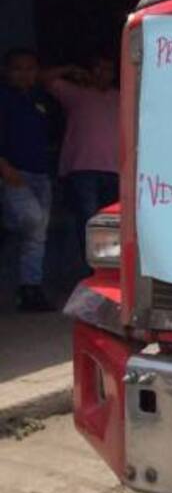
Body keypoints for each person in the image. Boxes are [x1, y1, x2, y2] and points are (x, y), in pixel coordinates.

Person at [43, 56, 119, 279]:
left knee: (112, 223)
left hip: (116, 169)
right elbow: (42, 78)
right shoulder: (75, 93)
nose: (102, 74)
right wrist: (71, 67)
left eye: (107, 69)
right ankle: (95, 271)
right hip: (82, 168)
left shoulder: (120, 96)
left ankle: (109, 271)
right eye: (97, 69)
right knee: (88, 221)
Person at [0, 48, 55, 311]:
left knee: (38, 234)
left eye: (30, 68)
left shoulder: (38, 98)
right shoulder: (4, 98)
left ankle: (31, 289)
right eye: (18, 69)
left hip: (41, 174)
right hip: (14, 173)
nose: (25, 74)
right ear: (7, 71)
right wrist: (4, 167)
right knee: (31, 222)